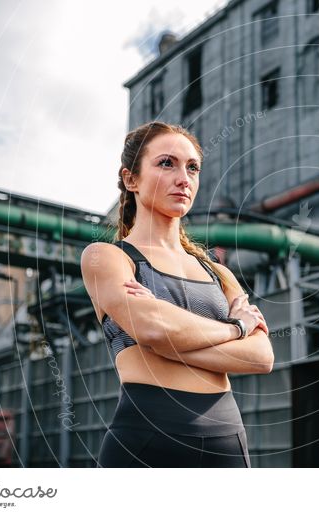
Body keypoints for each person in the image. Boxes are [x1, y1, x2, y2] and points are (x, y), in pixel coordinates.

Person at [81, 121, 274, 467]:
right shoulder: (107, 257)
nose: (184, 178)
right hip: (144, 436)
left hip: (225, 441)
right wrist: (236, 328)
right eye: (166, 163)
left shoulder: (219, 272)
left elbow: (261, 357)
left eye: (193, 167)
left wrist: (170, 340)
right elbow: (154, 329)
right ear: (131, 179)